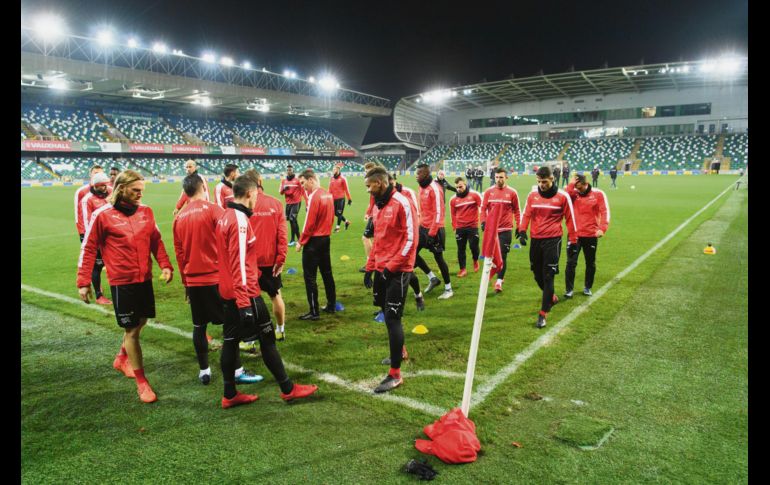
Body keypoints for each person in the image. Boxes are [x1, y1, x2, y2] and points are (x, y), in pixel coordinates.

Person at [215, 175, 318, 408]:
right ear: (250, 194)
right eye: (255, 196)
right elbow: (239, 263)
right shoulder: (240, 220)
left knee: (230, 341)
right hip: (245, 293)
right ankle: (288, 389)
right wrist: (244, 302)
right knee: (267, 339)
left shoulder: (225, 215)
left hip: (228, 290)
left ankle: (229, 394)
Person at [77, 169, 174, 403]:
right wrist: (83, 282)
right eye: (136, 190)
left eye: (142, 190)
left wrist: (165, 264)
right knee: (132, 330)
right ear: (121, 189)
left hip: (144, 279)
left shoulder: (146, 212)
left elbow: (156, 240)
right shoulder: (102, 215)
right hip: (122, 282)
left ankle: (121, 357)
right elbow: (89, 248)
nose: (141, 195)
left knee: (141, 321)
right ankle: (142, 383)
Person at [173, 174, 262, 385]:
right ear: (203, 187)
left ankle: (204, 370)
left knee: (199, 326)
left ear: (185, 192)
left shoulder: (179, 217)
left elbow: (179, 253)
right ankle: (238, 370)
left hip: (193, 281)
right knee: (230, 327)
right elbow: (228, 240)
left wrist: (185, 282)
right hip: (215, 278)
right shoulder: (215, 210)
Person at [362, 167, 418, 393]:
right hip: (381, 268)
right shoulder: (377, 206)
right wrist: (370, 268)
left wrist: (391, 268)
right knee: (385, 312)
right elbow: (378, 240)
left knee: (393, 317)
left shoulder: (402, 202)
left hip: (398, 270)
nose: (368, 190)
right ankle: (401, 351)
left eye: (370, 186)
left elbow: (411, 240)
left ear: (380, 183)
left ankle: (395, 374)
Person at [518, 166, 577, 329]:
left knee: (548, 276)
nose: (541, 185)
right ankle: (550, 296)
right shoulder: (532, 195)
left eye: (544, 181)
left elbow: (570, 219)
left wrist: (573, 241)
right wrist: (522, 231)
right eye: (539, 181)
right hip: (536, 240)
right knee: (537, 275)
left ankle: (543, 314)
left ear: (552, 179)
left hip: (553, 240)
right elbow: (526, 214)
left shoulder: (562, 196)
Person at [244, 169, 289, 341]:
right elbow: (282, 235)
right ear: (260, 180)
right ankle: (280, 329)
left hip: (249, 261)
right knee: (275, 295)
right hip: (271, 260)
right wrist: (281, 258)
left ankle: (251, 337)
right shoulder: (276, 203)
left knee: (248, 299)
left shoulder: (243, 204)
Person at [296, 169, 337, 320]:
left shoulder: (314, 196)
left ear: (311, 180)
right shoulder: (328, 194)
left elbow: (309, 223)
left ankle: (314, 311)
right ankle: (331, 305)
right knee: (327, 274)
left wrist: (301, 241)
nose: (303, 187)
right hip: (325, 239)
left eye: (303, 183)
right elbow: (331, 218)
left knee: (310, 277)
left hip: (314, 242)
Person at [563, 174, 610, 299]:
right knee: (571, 262)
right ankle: (569, 290)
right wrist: (571, 185)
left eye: (580, 188)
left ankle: (587, 287)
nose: (578, 190)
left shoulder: (598, 194)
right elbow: (565, 197)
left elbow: (605, 211)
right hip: (574, 235)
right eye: (576, 187)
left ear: (586, 183)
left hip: (591, 234)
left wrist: (602, 228)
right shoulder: (573, 193)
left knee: (590, 262)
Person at [414, 164, 453, 300]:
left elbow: (439, 212)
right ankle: (432, 278)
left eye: (418, 173)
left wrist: (432, 233)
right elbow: (422, 209)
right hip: (422, 227)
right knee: (412, 253)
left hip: (435, 229)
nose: (416, 175)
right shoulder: (421, 187)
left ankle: (449, 289)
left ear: (425, 174)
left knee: (438, 258)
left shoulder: (435, 188)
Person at [74, 164, 111, 305]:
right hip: (94, 237)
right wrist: (84, 236)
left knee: (112, 264)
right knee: (96, 265)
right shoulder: (85, 197)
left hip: (111, 237)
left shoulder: (111, 192)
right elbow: (84, 219)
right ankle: (98, 294)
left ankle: (118, 288)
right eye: (102, 186)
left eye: (105, 185)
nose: (105, 188)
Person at [480, 168, 521, 293]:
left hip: (505, 229)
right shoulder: (488, 192)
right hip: (491, 230)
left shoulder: (512, 193)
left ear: (506, 178)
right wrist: (483, 221)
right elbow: (483, 208)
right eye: (497, 177)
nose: (499, 180)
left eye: (501, 177)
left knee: (502, 256)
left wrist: (519, 226)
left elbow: (517, 210)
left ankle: (499, 281)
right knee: (490, 256)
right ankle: (490, 277)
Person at [390, 173, 426, 311]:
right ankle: (386, 306)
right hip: (391, 241)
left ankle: (418, 295)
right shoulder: (382, 197)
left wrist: (412, 237)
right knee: (387, 272)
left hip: (407, 238)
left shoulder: (408, 192)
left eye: (391, 182)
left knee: (408, 271)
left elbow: (416, 214)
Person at [450, 177, 482, 278]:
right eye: (457, 187)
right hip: (460, 227)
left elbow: (483, 207)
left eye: (460, 186)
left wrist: (483, 221)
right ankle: (463, 269)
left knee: (474, 246)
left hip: (472, 226)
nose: (459, 189)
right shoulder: (453, 199)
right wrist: (455, 227)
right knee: (461, 249)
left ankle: (475, 260)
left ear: (465, 184)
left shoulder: (475, 195)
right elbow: (453, 214)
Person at [360, 161, 380, 272]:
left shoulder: (375, 182)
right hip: (375, 212)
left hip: (376, 213)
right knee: (375, 239)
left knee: (365, 237)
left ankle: (370, 263)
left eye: (368, 171)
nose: (366, 173)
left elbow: (374, 200)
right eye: (365, 171)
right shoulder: (375, 181)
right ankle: (377, 261)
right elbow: (371, 200)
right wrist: (368, 212)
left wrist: (370, 213)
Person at [280, 164, 305, 247]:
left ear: (293, 170)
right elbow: (281, 192)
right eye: (288, 170)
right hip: (288, 203)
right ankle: (295, 239)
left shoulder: (297, 180)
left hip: (296, 202)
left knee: (292, 218)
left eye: (290, 170)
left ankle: (297, 239)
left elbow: (303, 191)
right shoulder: (284, 181)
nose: (289, 171)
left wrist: (307, 203)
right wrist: (284, 189)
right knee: (292, 221)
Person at [328, 164, 353, 232]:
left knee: (339, 213)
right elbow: (330, 189)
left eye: (334, 170)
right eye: (333, 170)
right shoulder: (332, 178)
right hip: (333, 199)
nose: (333, 171)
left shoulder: (343, 179)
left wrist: (349, 199)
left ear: (338, 170)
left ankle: (337, 228)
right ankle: (346, 222)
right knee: (335, 213)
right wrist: (328, 197)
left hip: (341, 199)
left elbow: (346, 189)